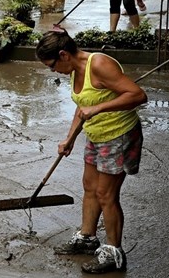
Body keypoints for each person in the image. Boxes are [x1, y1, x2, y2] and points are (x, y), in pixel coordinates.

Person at [36, 29, 147, 274]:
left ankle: (114, 252)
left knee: (106, 194)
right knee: (89, 187)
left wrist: (99, 108)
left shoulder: (99, 65)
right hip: (96, 135)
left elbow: (138, 95)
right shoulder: (74, 70)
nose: (53, 71)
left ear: (63, 55)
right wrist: (70, 138)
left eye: (52, 66)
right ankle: (87, 238)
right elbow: (82, 107)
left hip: (118, 135)